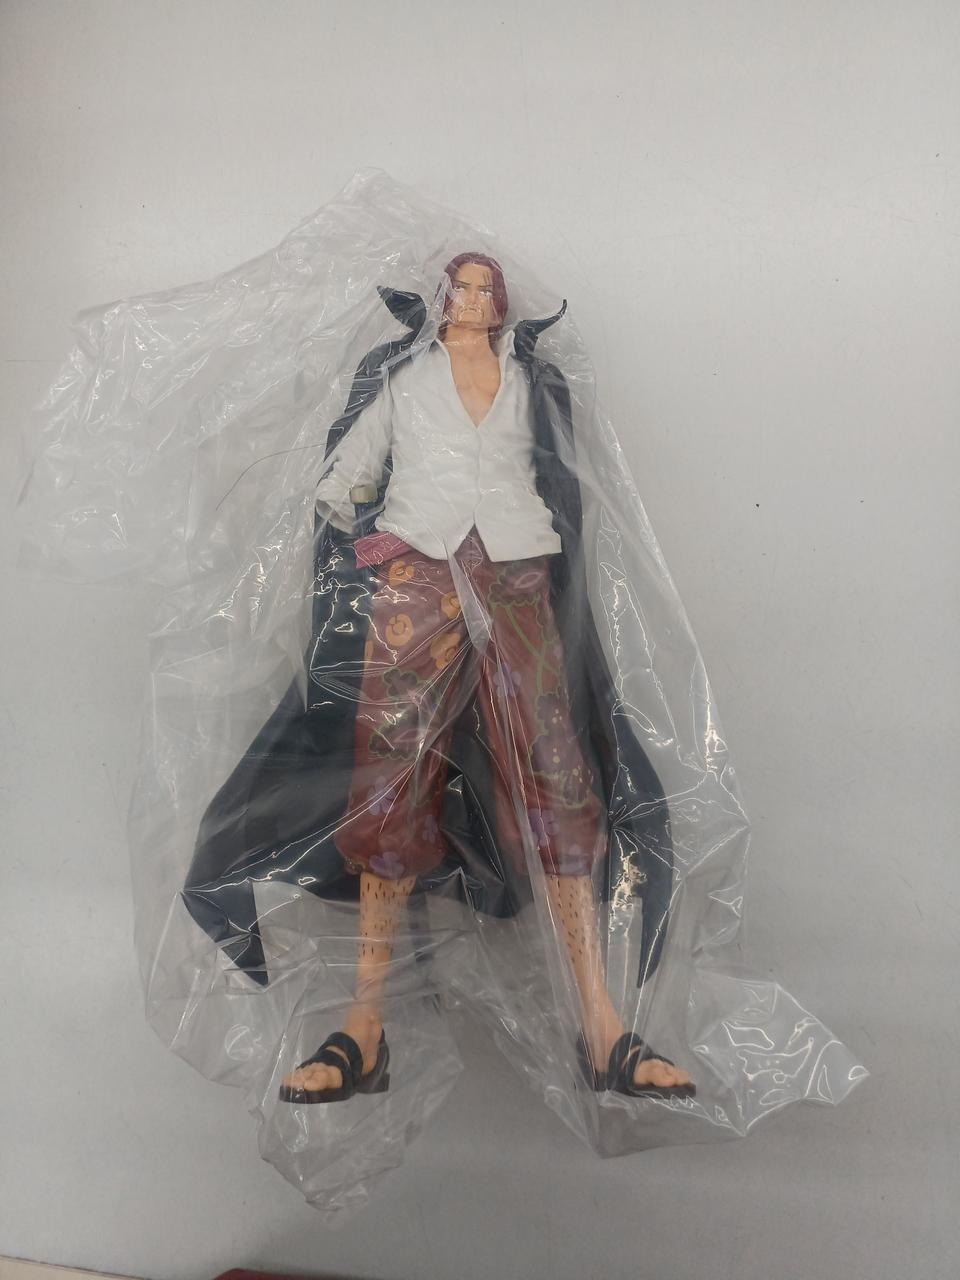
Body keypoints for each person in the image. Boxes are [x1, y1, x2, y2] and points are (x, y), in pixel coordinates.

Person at [278, 255, 693, 1103]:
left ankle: (601, 1024)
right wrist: (366, 546)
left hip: (514, 570)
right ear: (439, 300)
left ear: (499, 304)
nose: (468, 300)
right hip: (418, 574)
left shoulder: (528, 380)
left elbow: (558, 477)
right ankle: (364, 1026)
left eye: (482, 289)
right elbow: (349, 474)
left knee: (555, 770)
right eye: (457, 288)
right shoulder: (405, 377)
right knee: (389, 775)